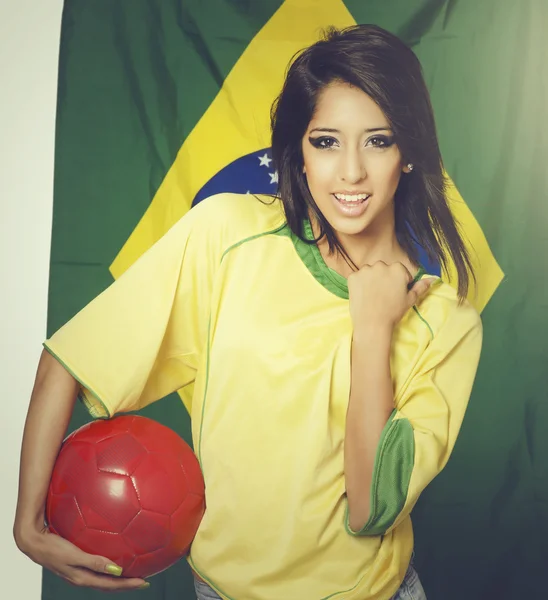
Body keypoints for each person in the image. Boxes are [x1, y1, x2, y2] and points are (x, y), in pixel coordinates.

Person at [14, 24, 482, 600]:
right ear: (299, 153)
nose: (352, 172)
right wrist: (27, 525)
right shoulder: (227, 234)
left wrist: (373, 327)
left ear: (408, 151)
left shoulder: (449, 324)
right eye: (327, 141)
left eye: (378, 140)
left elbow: (368, 510)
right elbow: (71, 357)